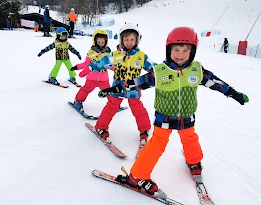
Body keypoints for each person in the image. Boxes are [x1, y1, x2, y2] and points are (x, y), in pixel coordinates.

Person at [99, 27, 249, 195]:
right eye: (176, 49)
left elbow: (216, 82)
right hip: (164, 117)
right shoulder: (160, 72)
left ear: (192, 52)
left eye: (186, 50)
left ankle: (194, 162)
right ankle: (137, 176)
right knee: (157, 144)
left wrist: (233, 93)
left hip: (187, 117)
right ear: (168, 49)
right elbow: (136, 82)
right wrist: (114, 88)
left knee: (190, 139)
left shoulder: (196, 70)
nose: (180, 54)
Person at [80, 23, 155, 142]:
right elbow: (102, 62)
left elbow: (154, 67)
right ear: (121, 40)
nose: (129, 42)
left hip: (134, 89)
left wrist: (163, 72)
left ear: (136, 40)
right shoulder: (116, 55)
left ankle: (144, 129)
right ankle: (101, 127)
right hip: (117, 88)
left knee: (138, 109)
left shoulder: (141, 56)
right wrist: (90, 67)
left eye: (132, 39)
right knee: (111, 106)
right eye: (126, 39)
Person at [70, 29, 111, 112]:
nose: (100, 44)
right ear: (95, 41)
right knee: (85, 90)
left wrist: (118, 69)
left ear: (105, 42)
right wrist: (77, 67)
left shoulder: (107, 54)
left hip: (103, 79)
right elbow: (86, 63)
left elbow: (111, 65)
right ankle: (78, 101)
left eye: (102, 43)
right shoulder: (91, 52)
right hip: (91, 78)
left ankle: (114, 103)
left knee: (109, 91)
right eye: (98, 42)